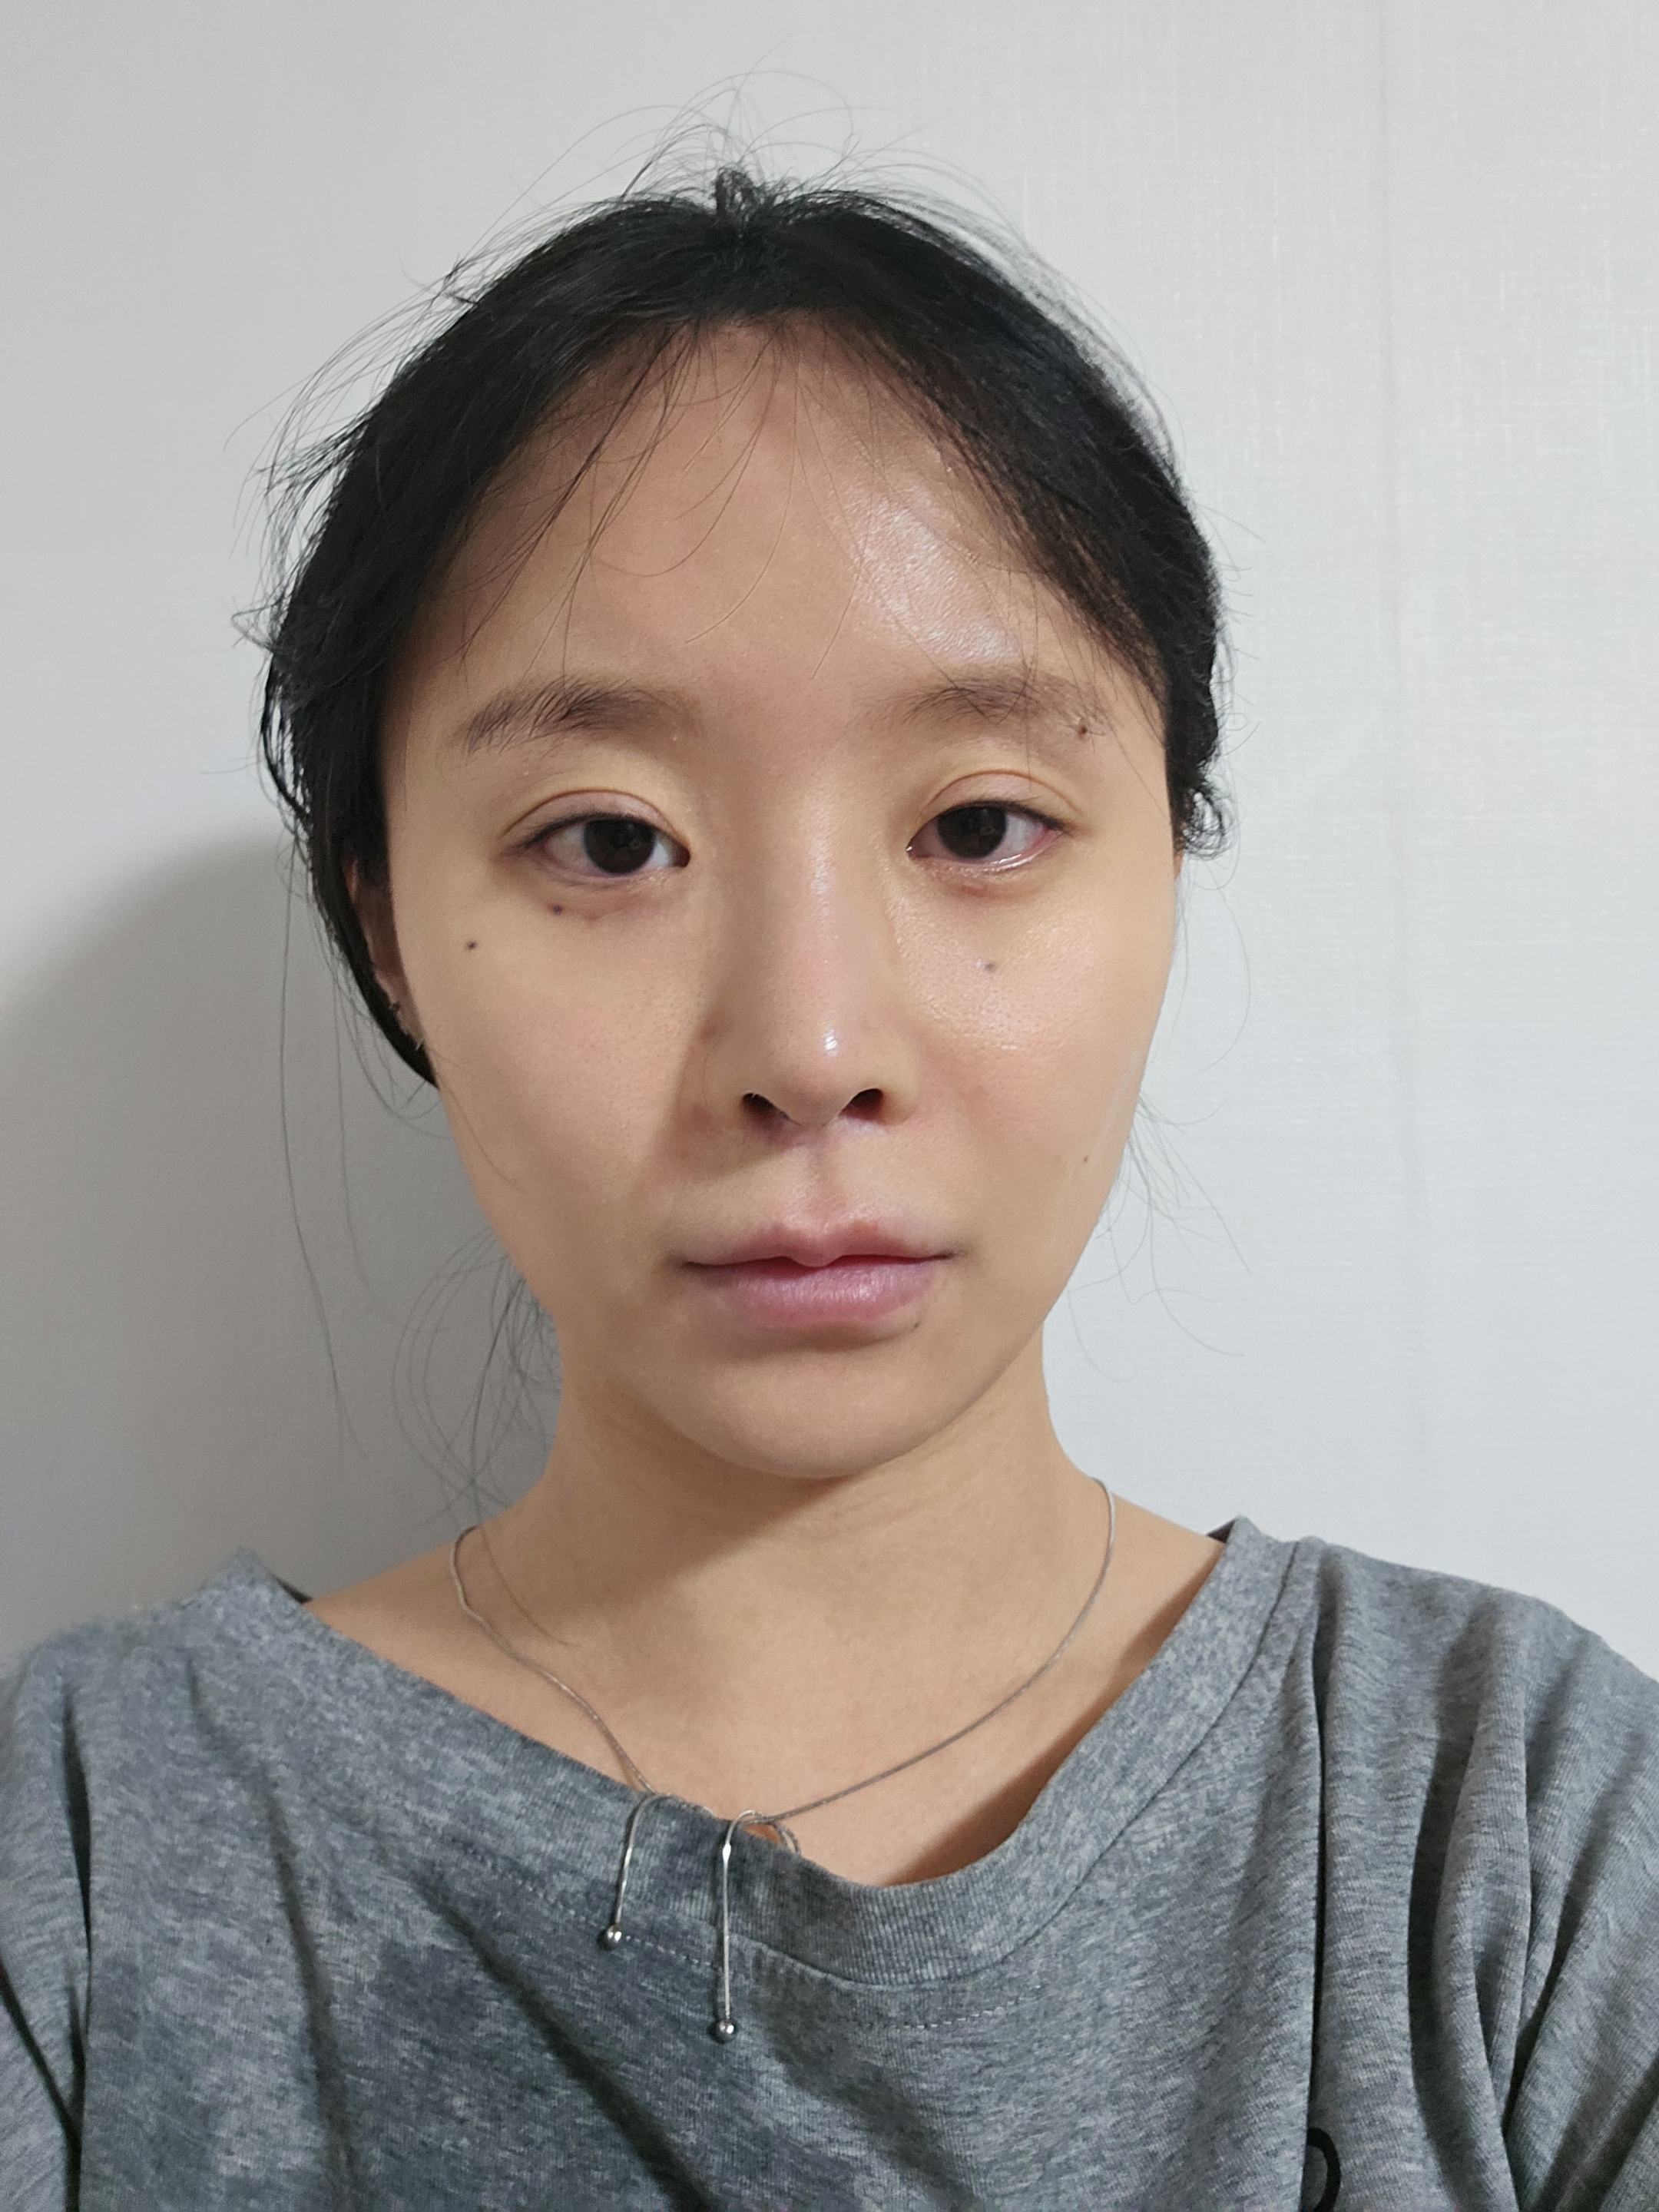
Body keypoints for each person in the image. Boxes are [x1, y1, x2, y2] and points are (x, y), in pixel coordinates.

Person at [2, 167, 1656, 2212]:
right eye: (610, 842)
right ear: (386, 932)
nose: (809, 1043)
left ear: (1167, 862)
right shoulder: (94, 1857)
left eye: (981, 823)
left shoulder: (1513, 1837)